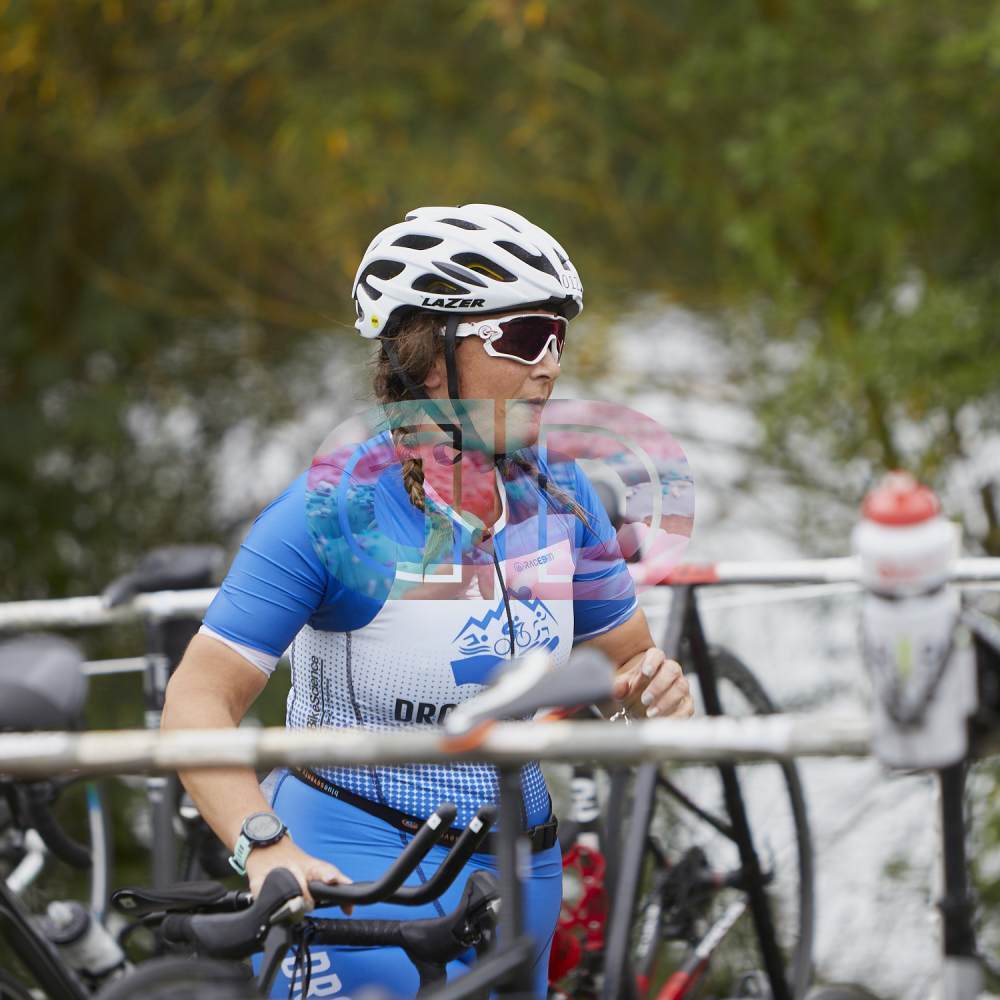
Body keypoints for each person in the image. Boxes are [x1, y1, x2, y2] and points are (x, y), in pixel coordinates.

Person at [161, 203, 693, 998]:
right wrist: (262, 845)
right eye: (524, 337)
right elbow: (196, 701)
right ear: (428, 353)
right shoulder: (333, 512)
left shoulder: (562, 491)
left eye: (558, 337)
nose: (550, 365)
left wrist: (652, 696)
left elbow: (628, 671)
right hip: (358, 867)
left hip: (522, 867)